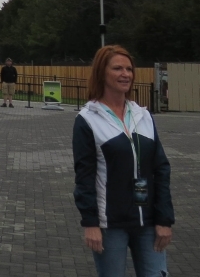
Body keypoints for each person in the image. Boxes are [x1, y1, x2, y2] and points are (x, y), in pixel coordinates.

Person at [73, 45, 173, 277]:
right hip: (110, 225)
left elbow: (161, 169)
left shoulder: (143, 116)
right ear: (102, 73)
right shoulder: (87, 120)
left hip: (148, 222)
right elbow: (85, 177)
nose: (125, 74)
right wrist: (90, 223)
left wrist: (164, 219)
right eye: (117, 68)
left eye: (129, 69)